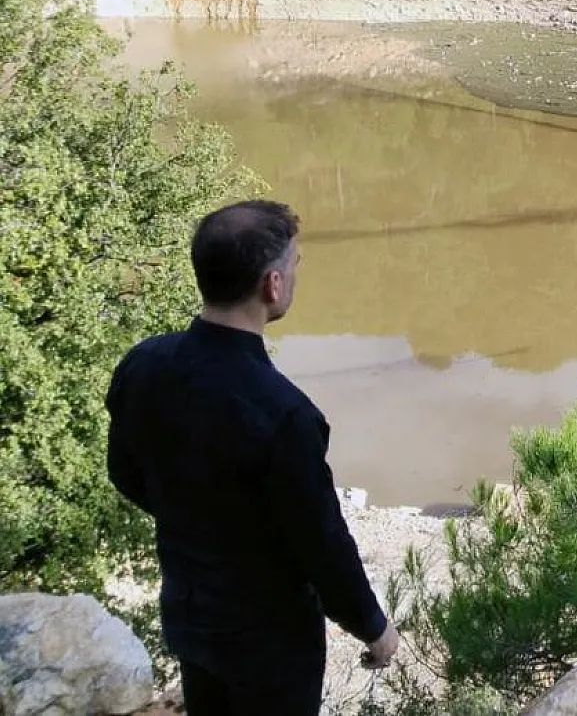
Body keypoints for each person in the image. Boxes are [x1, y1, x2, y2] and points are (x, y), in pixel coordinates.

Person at [105, 199, 399, 715]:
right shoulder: (284, 414)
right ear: (273, 285)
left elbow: (124, 473)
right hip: (270, 643)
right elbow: (321, 544)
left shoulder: (143, 364)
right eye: (294, 265)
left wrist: (192, 520)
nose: (294, 274)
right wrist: (375, 629)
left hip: (189, 614)